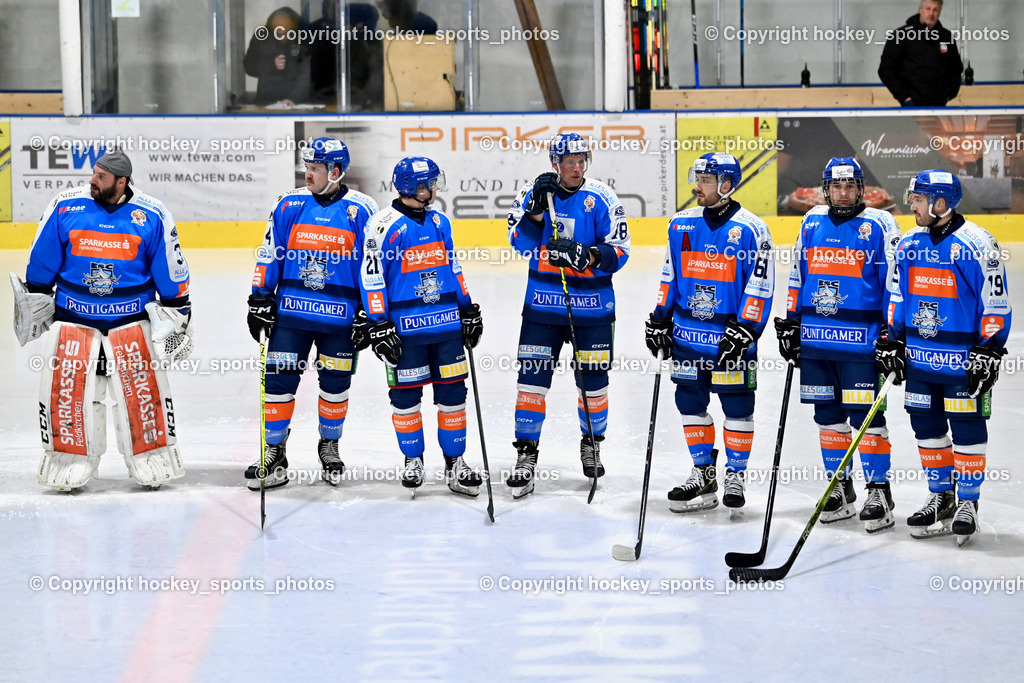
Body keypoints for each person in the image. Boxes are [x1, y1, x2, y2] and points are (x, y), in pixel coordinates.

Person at [15, 149, 193, 491]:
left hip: (132, 322)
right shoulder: (66, 206)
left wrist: (177, 307)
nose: (92, 181)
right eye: (94, 174)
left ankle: (151, 453)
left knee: (141, 395)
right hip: (74, 319)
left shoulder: (152, 214)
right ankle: (68, 456)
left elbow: (169, 265)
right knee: (69, 395)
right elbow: (43, 257)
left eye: (101, 177)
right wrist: (37, 293)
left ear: (121, 182)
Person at [877, 169, 1011, 544]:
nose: (911, 206)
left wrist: (989, 349)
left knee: (967, 427)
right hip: (920, 361)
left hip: (962, 361)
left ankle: (968, 501)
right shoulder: (908, 244)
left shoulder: (977, 243)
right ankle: (941, 495)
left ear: (940, 203)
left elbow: (995, 301)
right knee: (927, 427)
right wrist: (892, 339)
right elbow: (897, 295)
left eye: (918, 200)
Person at [776, 157, 902, 532]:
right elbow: (798, 274)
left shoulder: (880, 224)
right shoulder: (812, 220)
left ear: (861, 189)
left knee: (867, 417)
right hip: (817, 339)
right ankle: (840, 487)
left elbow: (894, 283)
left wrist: (891, 333)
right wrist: (792, 321)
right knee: (827, 416)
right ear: (826, 189)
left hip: (862, 342)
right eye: (836, 186)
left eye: (850, 186)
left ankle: (878, 490)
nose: (843, 193)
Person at [245, 137, 378, 489]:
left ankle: (329, 446)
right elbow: (270, 251)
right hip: (291, 318)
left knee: (335, 386)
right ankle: (274, 452)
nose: (308, 174)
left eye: (316, 168)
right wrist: (260, 297)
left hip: (341, 322)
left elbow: (372, 267)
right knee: (278, 384)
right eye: (307, 167)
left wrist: (370, 313)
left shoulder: (363, 209)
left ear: (336, 171)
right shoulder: (289, 204)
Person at [645, 152, 773, 513]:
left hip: (730, 341)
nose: (697, 187)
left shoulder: (751, 229)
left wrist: (746, 330)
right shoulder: (680, 225)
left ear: (726, 185)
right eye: (697, 179)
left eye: (705, 181)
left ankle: (735, 474)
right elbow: (670, 275)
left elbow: (760, 284)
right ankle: (703, 472)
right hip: (687, 338)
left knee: (737, 405)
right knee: (689, 402)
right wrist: (660, 319)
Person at [505, 133, 630, 499]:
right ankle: (526, 453)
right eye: (570, 162)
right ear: (555, 163)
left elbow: (621, 251)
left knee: (593, 382)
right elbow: (519, 243)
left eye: (581, 161)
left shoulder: (602, 197)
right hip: (542, 309)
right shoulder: (533, 192)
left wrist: (586, 256)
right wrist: (535, 213)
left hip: (593, 311)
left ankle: (592, 443)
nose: (577, 168)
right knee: (531, 382)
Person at [359, 156, 483, 497]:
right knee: (405, 396)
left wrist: (467, 309)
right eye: (430, 183)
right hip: (405, 332)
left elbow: (453, 268)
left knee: (453, 395)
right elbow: (372, 277)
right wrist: (379, 324)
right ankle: (413, 459)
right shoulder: (383, 225)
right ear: (415, 188)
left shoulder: (441, 221)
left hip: (446, 327)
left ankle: (455, 463)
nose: (435, 187)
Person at [878, 0, 962, 107]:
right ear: (920, 9)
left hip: (939, 106)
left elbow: (956, 69)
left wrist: (949, 94)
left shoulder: (946, 37)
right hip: (911, 106)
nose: (931, 13)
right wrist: (904, 97)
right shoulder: (901, 35)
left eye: (935, 10)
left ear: (940, 12)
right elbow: (886, 69)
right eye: (928, 8)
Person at [309, 1, 384, 109]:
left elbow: (375, 76)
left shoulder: (368, 44)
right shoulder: (324, 40)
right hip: (327, 100)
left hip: (356, 101)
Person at [244, 7, 312, 105]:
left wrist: (293, 99)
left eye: (287, 32)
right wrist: (271, 64)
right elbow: (249, 67)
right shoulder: (261, 38)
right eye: (278, 33)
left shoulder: (303, 39)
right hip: (265, 101)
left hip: (296, 102)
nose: (283, 36)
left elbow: (307, 73)